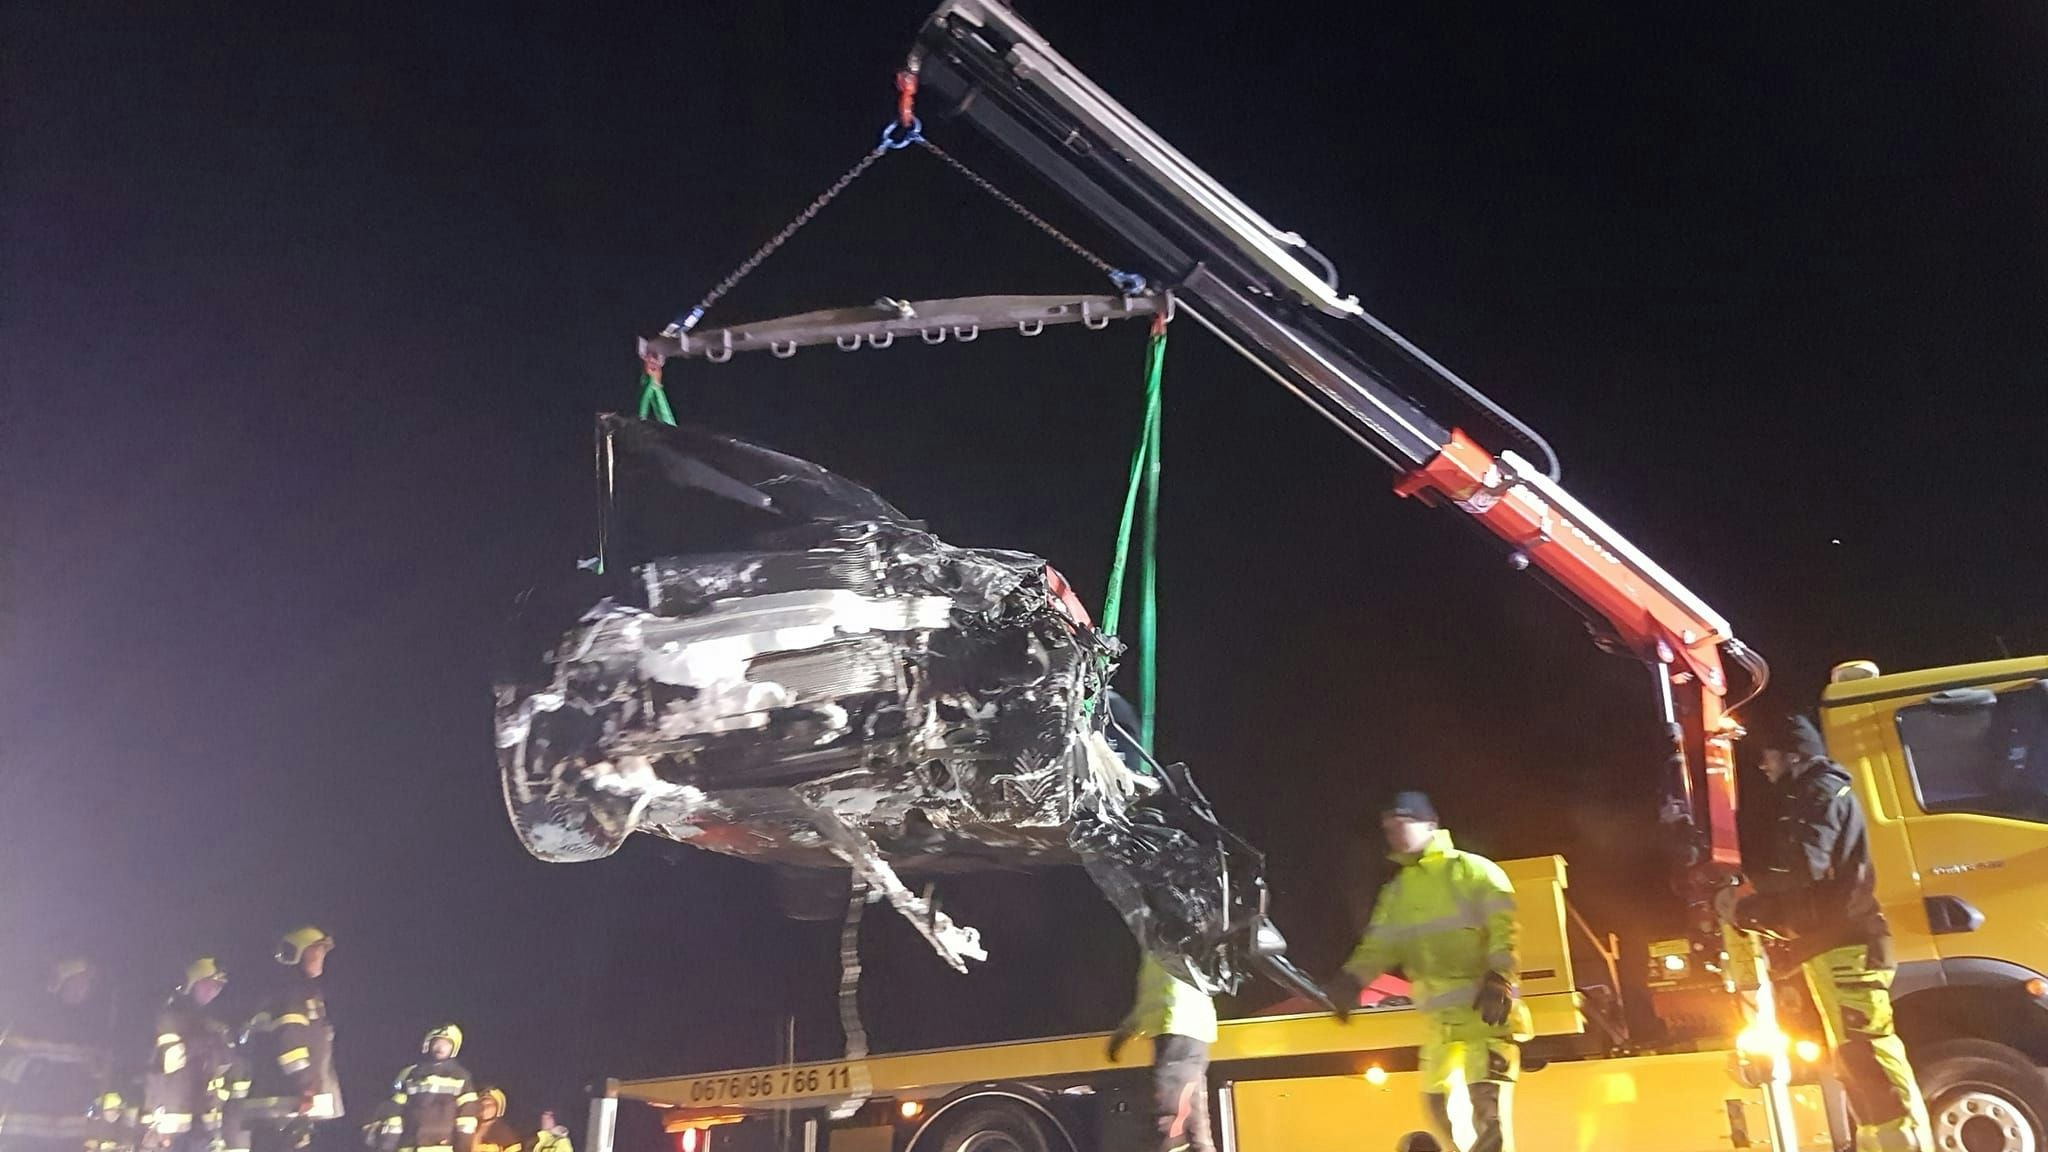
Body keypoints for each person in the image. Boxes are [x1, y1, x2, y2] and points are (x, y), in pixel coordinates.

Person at [1721, 712, 1932, 1152]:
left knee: (1867, 1051)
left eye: (1768, 756)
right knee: (1854, 1055)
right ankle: (1884, 1141)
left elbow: (1802, 865)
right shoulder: (1813, 793)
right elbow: (1812, 880)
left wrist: (1751, 890)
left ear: (1793, 754)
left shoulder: (1818, 791)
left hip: (1847, 946)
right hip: (1835, 946)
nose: (1764, 766)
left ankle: (1905, 1143)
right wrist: (1758, 912)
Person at [1323, 793, 1528, 1152]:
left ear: (1431, 825)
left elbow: (1503, 931)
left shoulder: (1474, 872)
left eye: (1403, 823)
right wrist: (1351, 980)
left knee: (1489, 1118)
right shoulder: (1398, 892)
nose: (1395, 833)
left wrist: (1501, 977)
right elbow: (1379, 947)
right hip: (1440, 1029)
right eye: (1389, 827)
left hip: (1486, 1020)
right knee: (1438, 1109)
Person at [240, 927, 342, 1152]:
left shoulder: (294, 991)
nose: (321, 958)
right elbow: (291, 1045)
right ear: (299, 953)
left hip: (285, 1105)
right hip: (287, 1103)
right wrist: (306, 1087)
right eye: (317, 951)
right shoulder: (294, 992)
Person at [1, 959, 119, 1152]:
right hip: (31, 1115)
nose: (83, 989)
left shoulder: (84, 1024)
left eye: (86, 984)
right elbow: (11, 1056)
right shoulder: (34, 1016)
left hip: (68, 1117)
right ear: (61, 984)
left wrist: (101, 1067)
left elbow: (90, 1066)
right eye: (78, 983)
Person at [1106, 952, 1217, 1152]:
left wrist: (1126, 1030)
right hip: (1182, 1030)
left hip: (1178, 1028)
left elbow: (1160, 995)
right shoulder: (1157, 947)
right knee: (1194, 1125)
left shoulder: (1168, 938)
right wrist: (1127, 1029)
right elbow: (1151, 998)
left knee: (1170, 1115)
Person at [142, 959, 233, 1152]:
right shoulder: (170, 1018)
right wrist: (205, 1043)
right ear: (192, 984)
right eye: (209, 985)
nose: (213, 991)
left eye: (217, 987)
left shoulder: (212, 1024)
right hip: (173, 1119)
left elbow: (225, 1063)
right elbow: (172, 1060)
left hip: (201, 1116)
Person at [371, 1026, 477, 1152]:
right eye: (437, 1042)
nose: (440, 1047)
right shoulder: (410, 1074)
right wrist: (387, 1146)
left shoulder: (461, 1077)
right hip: (409, 1146)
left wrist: (463, 1148)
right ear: (428, 1044)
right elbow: (394, 1111)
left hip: (442, 1147)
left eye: (446, 1044)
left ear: (454, 1047)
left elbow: (467, 1118)